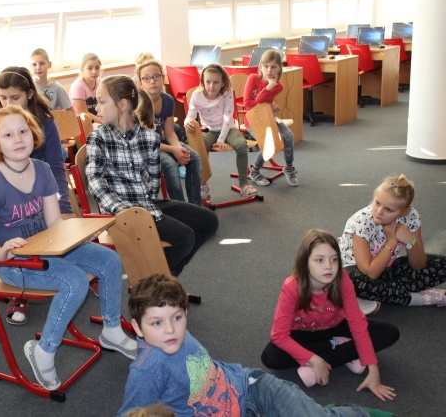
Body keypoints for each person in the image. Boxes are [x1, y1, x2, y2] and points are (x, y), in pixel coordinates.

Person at [0, 105, 137, 391]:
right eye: (8, 135)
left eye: (23, 131)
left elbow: (54, 222)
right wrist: (0, 253)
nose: (18, 139)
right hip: (14, 261)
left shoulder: (42, 169)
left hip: (47, 248)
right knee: (75, 282)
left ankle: (111, 329)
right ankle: (44, 350)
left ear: (33, 133)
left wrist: (79, 234)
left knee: (109, 260)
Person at [119, 273, 383, 417]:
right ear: (137, 327)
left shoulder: (174, 334)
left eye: (177, 318)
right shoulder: (147, 370)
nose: (169, 329)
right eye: (156, 323)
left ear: (185, 314)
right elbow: (131, 414)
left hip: (252, 387)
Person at [0, 66, 75, 325]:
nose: (9, 104)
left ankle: (61, 271)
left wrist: (65, 205)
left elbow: (56, 167)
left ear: (30, 94)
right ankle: (20, 291)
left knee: (60, 230)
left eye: (15, 97)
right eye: (3, 98)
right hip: (7, 196)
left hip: (41, 193)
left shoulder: (45, 122)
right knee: (14, 238)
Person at [86, 75, 218, 277]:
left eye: (102, 102)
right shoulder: (98, 137)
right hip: (118, 214)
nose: (97, 108)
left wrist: (144, 206)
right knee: (184, 237)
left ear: (122, 105)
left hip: (145, 205)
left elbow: (153, 181)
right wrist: (123, 210)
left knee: (209, 221)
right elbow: (95, 181)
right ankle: (158, 279)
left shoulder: (149, 137)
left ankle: (158, 275)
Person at [261, 229, 399, 400]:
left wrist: (374, 371)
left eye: (334, 259)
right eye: (319, 260)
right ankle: (340, 348)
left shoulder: (342, 280)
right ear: (305, 262)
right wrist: (314, 359)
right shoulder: (292, 286)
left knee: (389, 332)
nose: (328, 266)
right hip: (303, 332)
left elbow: (357, 323)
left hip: (336, 325)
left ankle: (332, 354)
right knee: (271, 357)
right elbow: (278, 335)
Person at [339, 174, 446, 308]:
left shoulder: (411, 217)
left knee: (442, 264)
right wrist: (392, 242)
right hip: (359, 272)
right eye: (377, 203)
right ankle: (418, 298)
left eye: (389, 209)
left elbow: (419, 265)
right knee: (353, 282)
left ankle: (382, 292)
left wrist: (410, 241)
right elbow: (370, 273)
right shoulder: (361, 222)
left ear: (404, 212)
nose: (379, 212)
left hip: (387, 268)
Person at [184, 64, 259, 199]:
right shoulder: (196, 95)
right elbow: (190, 116)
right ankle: (203, 184)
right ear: (203, 81)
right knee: (200, 147)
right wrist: (187, 123)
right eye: (208, 82)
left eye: (216, 82)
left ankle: (244, 185)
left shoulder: (227, 92)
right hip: (208, 130)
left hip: (228, 128)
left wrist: (220, 140)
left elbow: (227, 118)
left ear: (223, 82)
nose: (211, 86)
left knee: (241, 145)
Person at [137, 60, 202, 206]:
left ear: (163, 78)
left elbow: (170, 132)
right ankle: (180, 209)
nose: (152, 81)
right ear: (140, 83)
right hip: (143, 147)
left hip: (159, 141)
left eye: (156, 76)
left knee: (194, 158)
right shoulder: (138, 103)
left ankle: (196, 207)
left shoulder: (168, 100)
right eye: (146, 78)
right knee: (170, 165)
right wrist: (173, 150)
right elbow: (146, 142)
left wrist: (179, 148)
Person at [243, 49, 298, 187]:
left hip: (268, 117)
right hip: (252, 119)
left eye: (273, 67)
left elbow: (259, 101)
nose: (269, 70)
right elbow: (248, 103)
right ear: (260, 66)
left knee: (288, 136)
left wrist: (268, 102)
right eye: (266, 66)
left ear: (279, 68)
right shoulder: (253, 78)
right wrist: (269, 90)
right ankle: (255, 171)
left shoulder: (279, 86)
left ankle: (289, 167)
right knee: (268, 141)